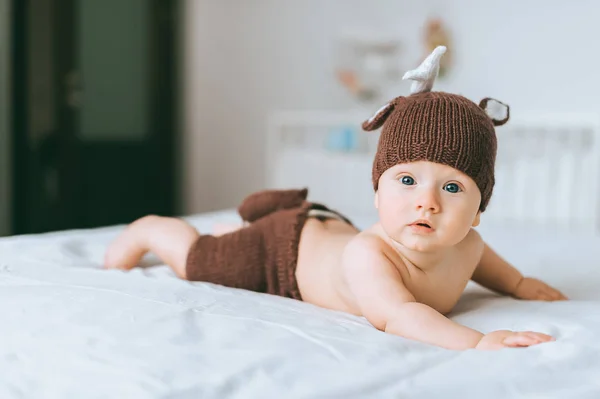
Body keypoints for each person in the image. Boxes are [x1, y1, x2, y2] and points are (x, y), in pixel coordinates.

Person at [104, 46, 567, 350]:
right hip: (281, 254)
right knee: (202, 260)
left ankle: (237, 229)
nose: (427, 202)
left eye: (452, 188)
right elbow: (398, 314)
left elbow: (490, 266)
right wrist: (477, 342)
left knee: (240, 242)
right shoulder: (372, 254)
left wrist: (521, 285)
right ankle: (153, 228)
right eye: (406, 181)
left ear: (479, 212)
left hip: (325, 229)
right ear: (378, 190)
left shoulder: (467, 246)